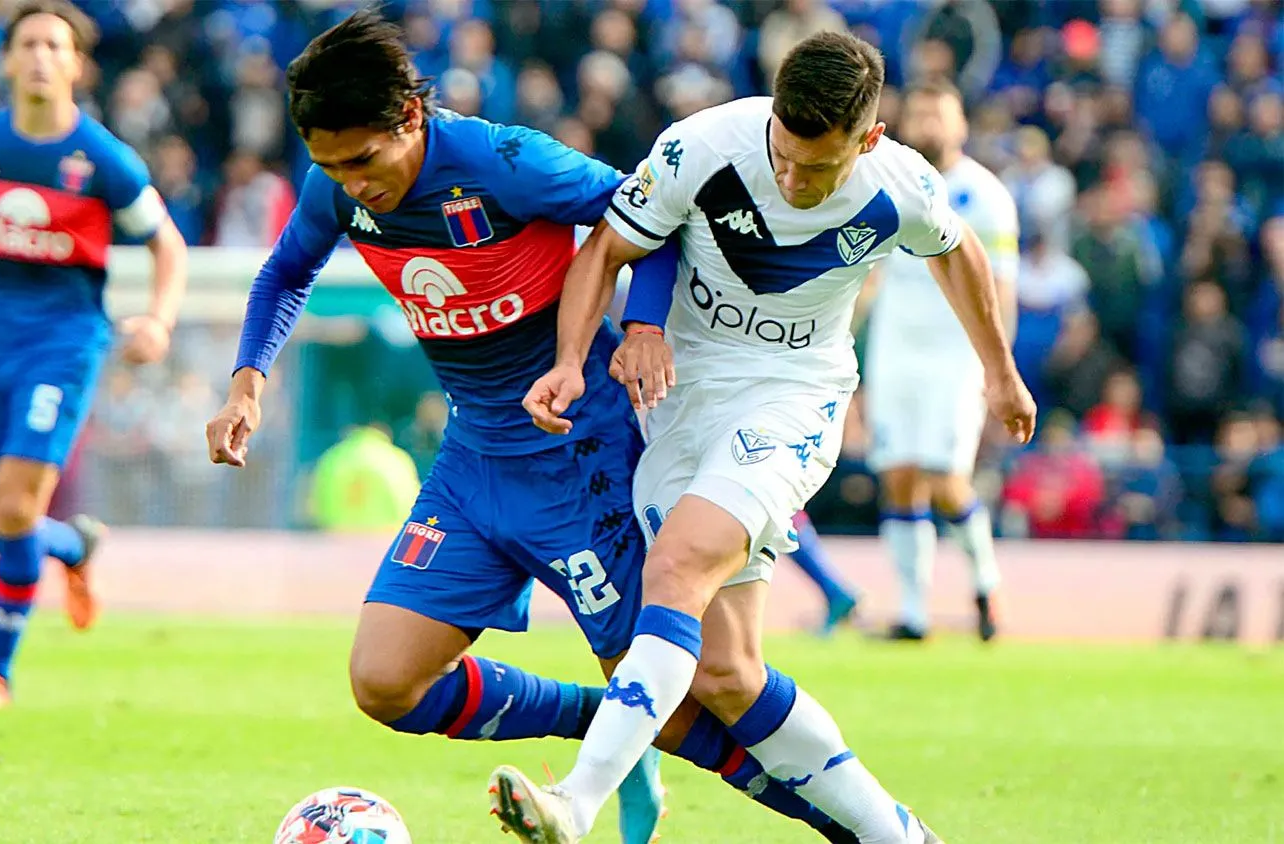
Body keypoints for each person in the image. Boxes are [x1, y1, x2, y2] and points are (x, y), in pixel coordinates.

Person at [204, 12, 853, 844]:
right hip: (473, 462)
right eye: (330, 165)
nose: (351, 183)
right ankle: (605, 723)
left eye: (363, 160)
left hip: (584, 460)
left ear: (410, 118)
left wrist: (644, 328)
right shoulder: (337, 186)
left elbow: (652, 220)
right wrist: (247, 386)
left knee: (692, 706)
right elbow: (285, 271)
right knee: (384, 681)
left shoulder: (504, 163)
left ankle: (865, 830)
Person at [503, 32, 1035, 843]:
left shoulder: (902, 187)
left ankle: (576, 803)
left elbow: (955, 253)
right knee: (725, 672)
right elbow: (611, 245)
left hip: (794, 400)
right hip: (681, 399)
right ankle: (898, 835)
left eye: (816, 168)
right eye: (783, 156)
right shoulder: (704, 147)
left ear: (870, 140)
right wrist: (574, 361)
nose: (791, 178)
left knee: (675, 567)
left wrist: (998, 370)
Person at [0, 0, 188, 709]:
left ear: (76, 64)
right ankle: (71, 547)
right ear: (10, 60)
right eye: (29, 43)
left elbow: (165, 245)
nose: (42, 55)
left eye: (56, 44)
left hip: (63, 344)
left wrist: (160, 322)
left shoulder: (104, 160)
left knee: (15, 507)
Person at [625, 239, 861, 635]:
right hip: (696, 378)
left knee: (735, 495)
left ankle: (832, 588)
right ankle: (832, 588)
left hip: (743, 382)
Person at [861, 81, 1020, 642]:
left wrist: (999, 368)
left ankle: (985, 584)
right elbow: (867, 274)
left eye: (939, 114)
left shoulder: (986, 194)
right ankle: (912, 614)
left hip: (956, 354)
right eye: (920, 112)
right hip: (896, 347)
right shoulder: (887, 178)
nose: (927, 122)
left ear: (961, 125)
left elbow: (1001, 287)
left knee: (947, 479)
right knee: (898, 476)